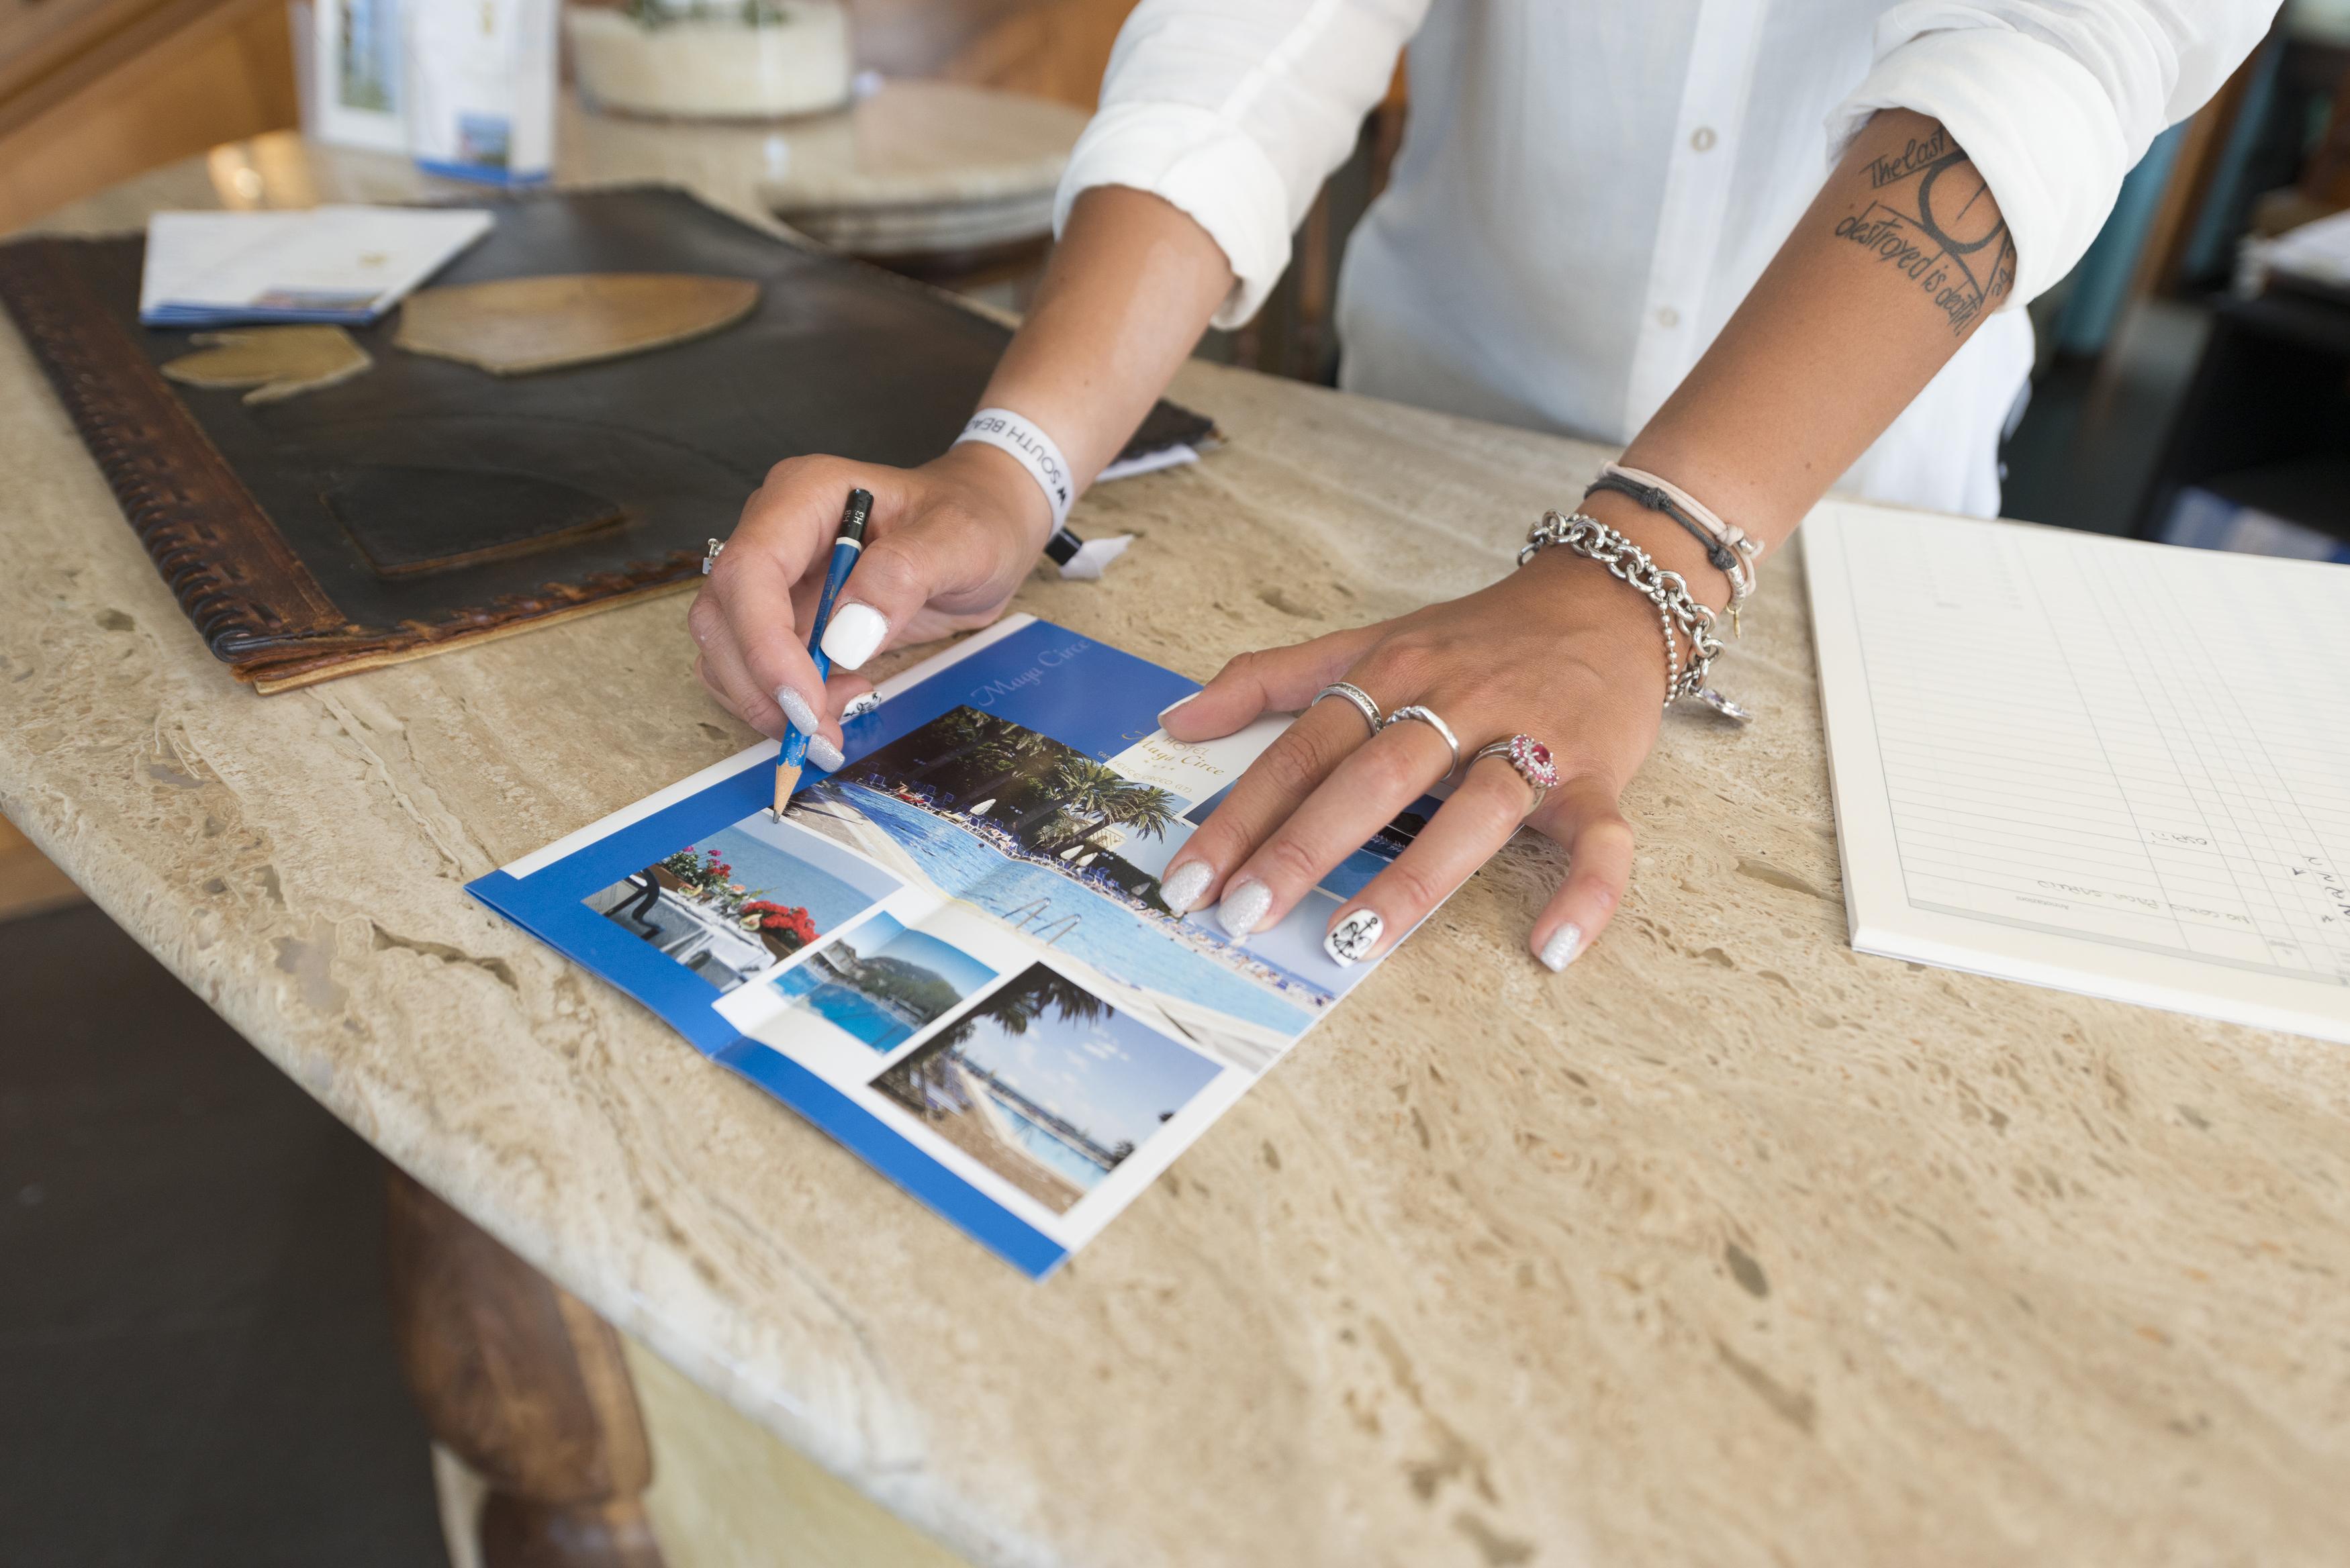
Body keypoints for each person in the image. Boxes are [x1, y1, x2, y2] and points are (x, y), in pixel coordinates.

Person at [691, 1, 2277, 974]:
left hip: (1848, 540)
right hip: (1401, 470)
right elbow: (1262, 26)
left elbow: (2057, 43)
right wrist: (1015, 460)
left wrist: (1632, 576)